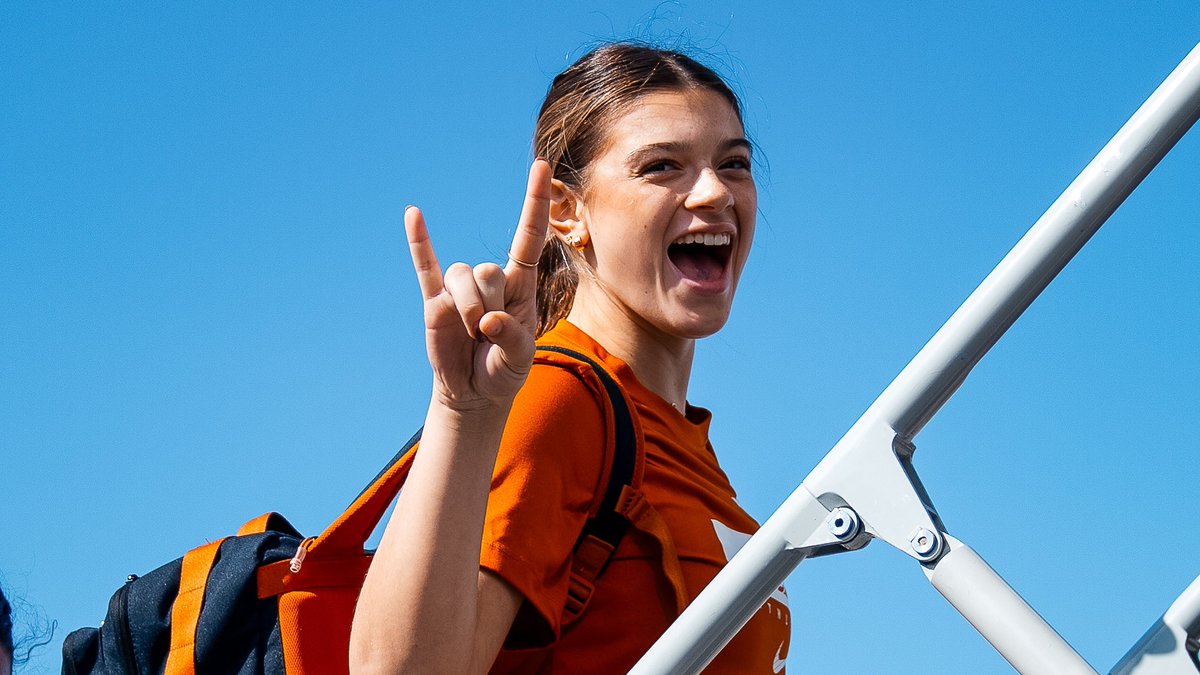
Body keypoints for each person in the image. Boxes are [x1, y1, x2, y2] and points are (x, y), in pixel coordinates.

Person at [350, 43, 789, 674]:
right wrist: (463, 412)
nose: (714, 192)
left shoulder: (675, 436)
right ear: (565, 210)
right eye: (662, 166)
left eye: (735, 164)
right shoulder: (557, 398)